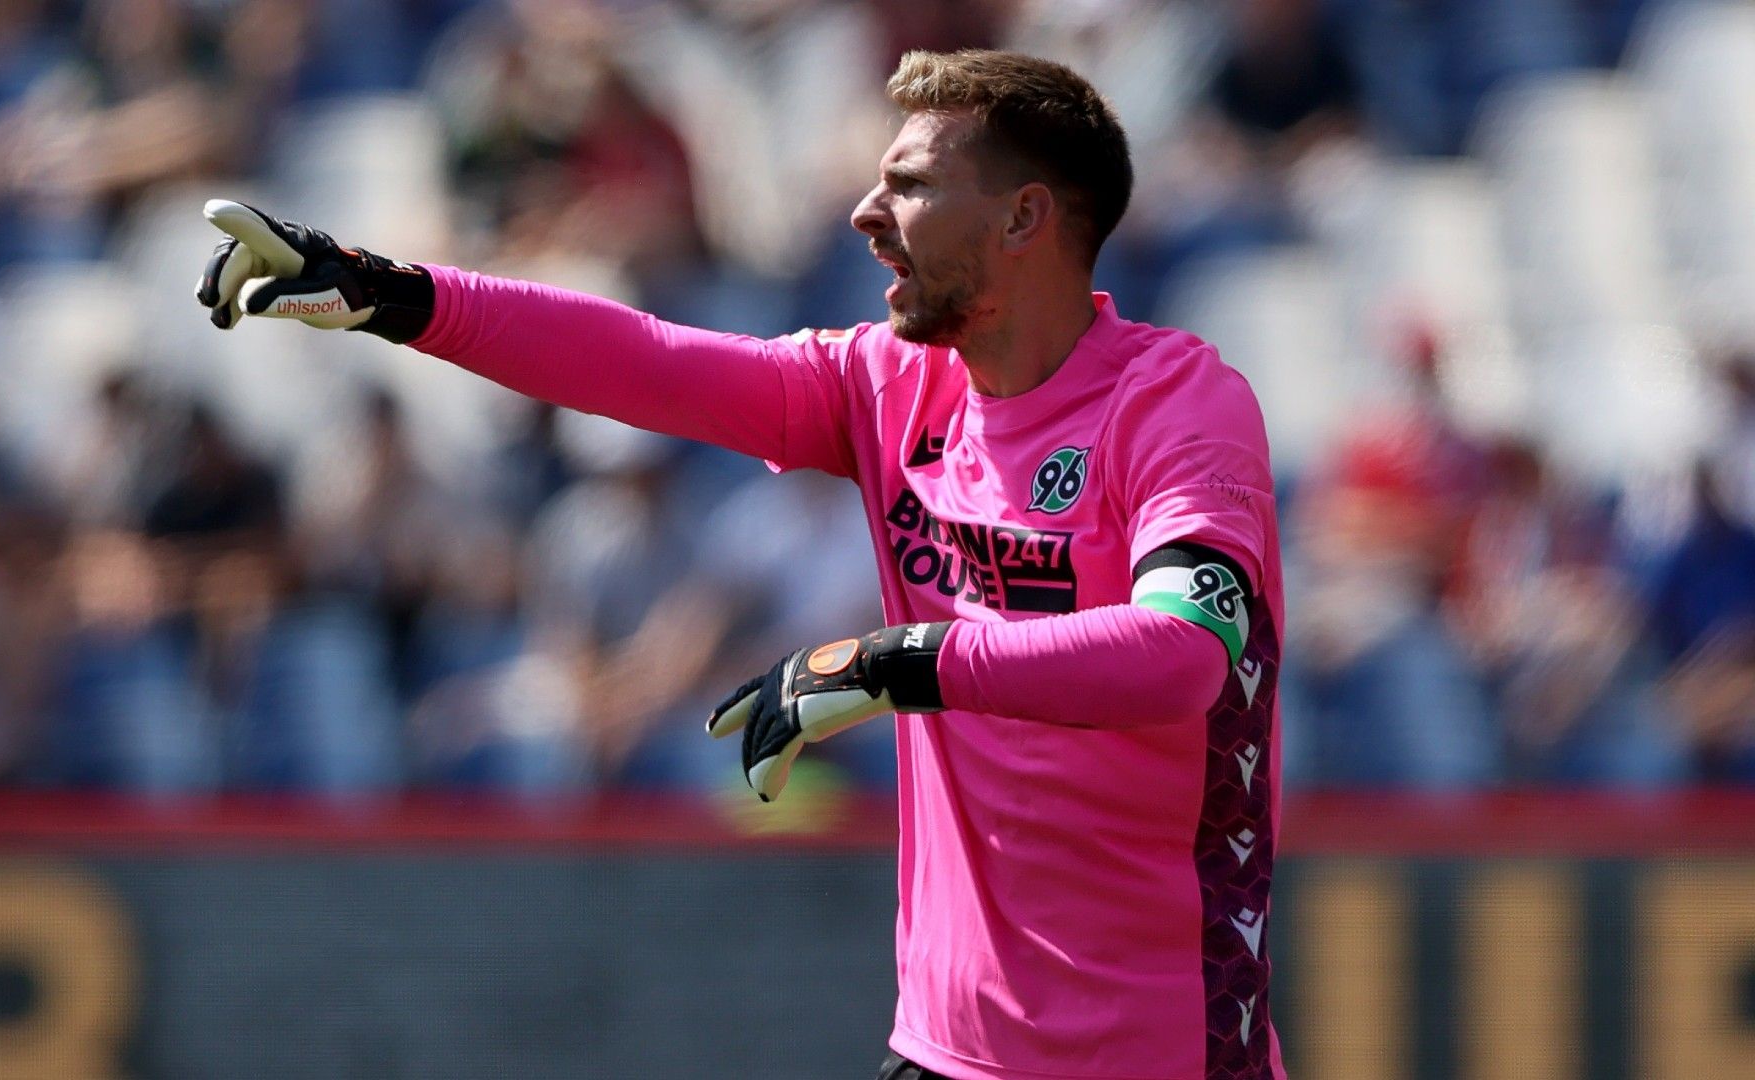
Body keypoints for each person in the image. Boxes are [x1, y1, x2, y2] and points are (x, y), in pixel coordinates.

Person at [196, 49, 1285, 1080]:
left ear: (1022, 217)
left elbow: (1183, 655)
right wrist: (399, 297)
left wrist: (891, 663)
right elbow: (648, 364)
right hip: (945, 1045)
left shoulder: (1179, 406)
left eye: (907, 185)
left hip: (1163, 1052)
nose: (864, 214)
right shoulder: (888, 386)